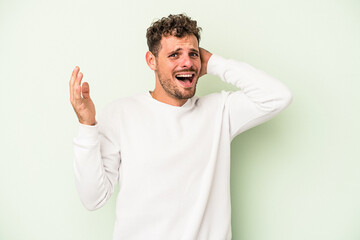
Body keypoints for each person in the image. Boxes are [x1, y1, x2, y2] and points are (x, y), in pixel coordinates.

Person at [70, 14, 292, 240]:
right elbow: (93, 198)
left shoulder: (220, 111)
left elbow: (277, 97)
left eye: (193, 54)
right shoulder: (120, 114)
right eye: (175, 54)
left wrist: (214, 63)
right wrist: (87, 126)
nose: (187, 62)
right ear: (151, 60)